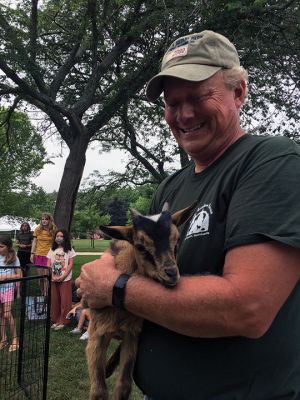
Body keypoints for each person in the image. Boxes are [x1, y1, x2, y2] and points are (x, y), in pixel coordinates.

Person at [75, 30, 300, 399]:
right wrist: (99, 272)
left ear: (239, 92)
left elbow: (247, 307)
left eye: (198, 97)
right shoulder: (170, 189)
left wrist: (115, 288)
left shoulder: (271, 162)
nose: (184, 113)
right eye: (172, 102)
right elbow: (129, 249)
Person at [47, 229, 76, 331]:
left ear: (65, 238)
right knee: (55, 300)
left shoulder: (69, 250)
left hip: (65, 279)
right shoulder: (52, 249)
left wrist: (63, 277)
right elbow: (49, 263)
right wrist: (52, 276)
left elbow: (71, 264)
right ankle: (56, 319)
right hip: (54, 278)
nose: (58, 238)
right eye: (57, 236)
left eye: (61, 236)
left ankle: (64, 320)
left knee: (65, 301)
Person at [0, 235, 22, 352]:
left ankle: (15, 339)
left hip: (8, 288)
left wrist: (7, 277)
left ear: (8, 247)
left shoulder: (14, 258)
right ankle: (3, 339)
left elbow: (19, 275)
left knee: (7, 314)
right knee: (0, 314)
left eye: (1, 246)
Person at [30, 213, 56, 295]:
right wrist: (32, 253)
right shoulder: (38, 229)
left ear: (49, 220)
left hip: (49, 256)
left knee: (46, 277)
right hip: (38, 255)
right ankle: (43, 293)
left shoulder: (53, 229)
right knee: (40, 277)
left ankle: (47, 294)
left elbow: (56, 241)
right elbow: (34, 242)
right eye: (42, 219)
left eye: (46, 219)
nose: (44, 221)